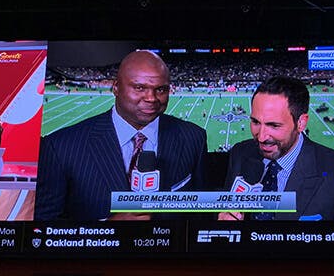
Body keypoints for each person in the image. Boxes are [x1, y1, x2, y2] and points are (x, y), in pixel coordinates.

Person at [34, 50, 208, 220]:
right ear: (116, 87)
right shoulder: (61, 147)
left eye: (161, 89)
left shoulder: (193, 137)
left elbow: (201, 213)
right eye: (140, 88)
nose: (151, 98)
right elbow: (41, 228)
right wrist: (111, 228)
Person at [219, 76, 334, 221]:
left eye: (274, 125)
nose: (262, 137)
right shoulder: (241, 153)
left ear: (301, 123)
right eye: (256, 122)